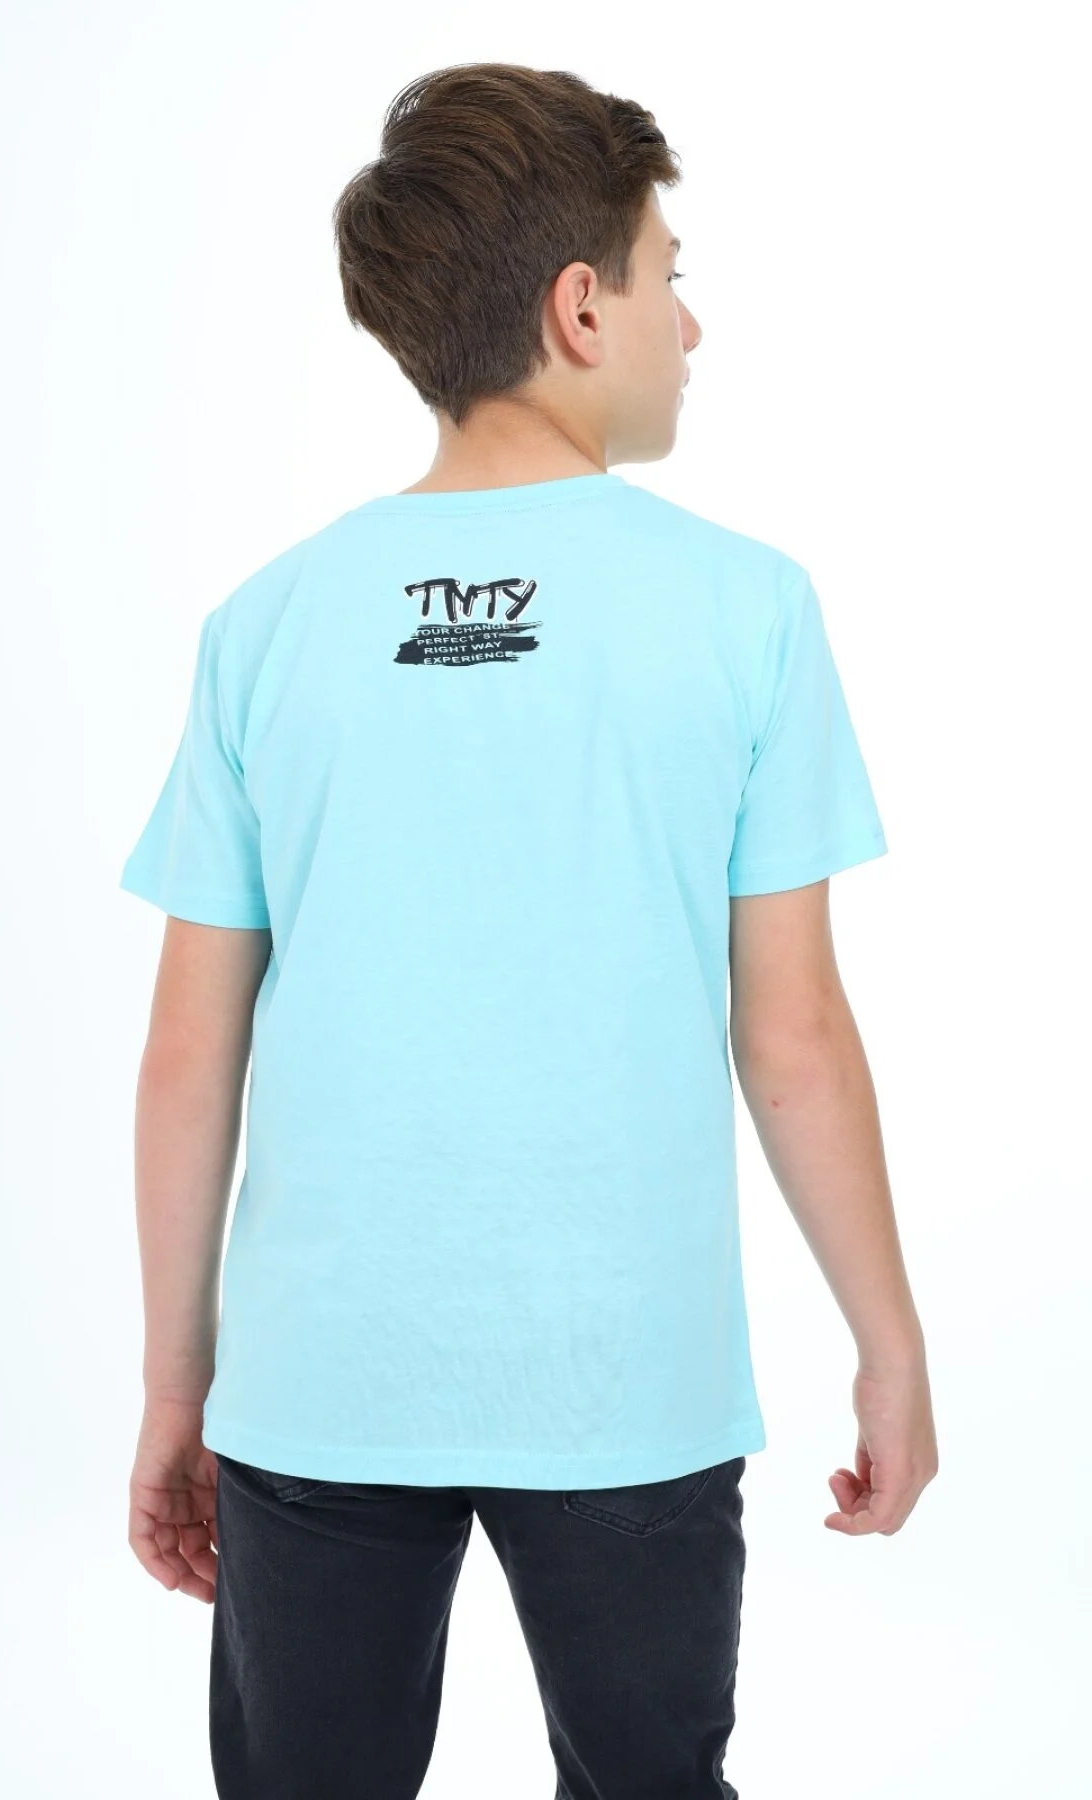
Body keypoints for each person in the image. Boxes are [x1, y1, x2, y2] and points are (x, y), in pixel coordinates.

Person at [120, 60, 938, 1800]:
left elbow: (191, 1050)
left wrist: (178, 1390)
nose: (691, 326)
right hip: (624, 1384)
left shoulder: (266, 625)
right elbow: (792, 1037)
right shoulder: (747, 610)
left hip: (318, 1388)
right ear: (581, 307)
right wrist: (890, 1343)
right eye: (667, 275)